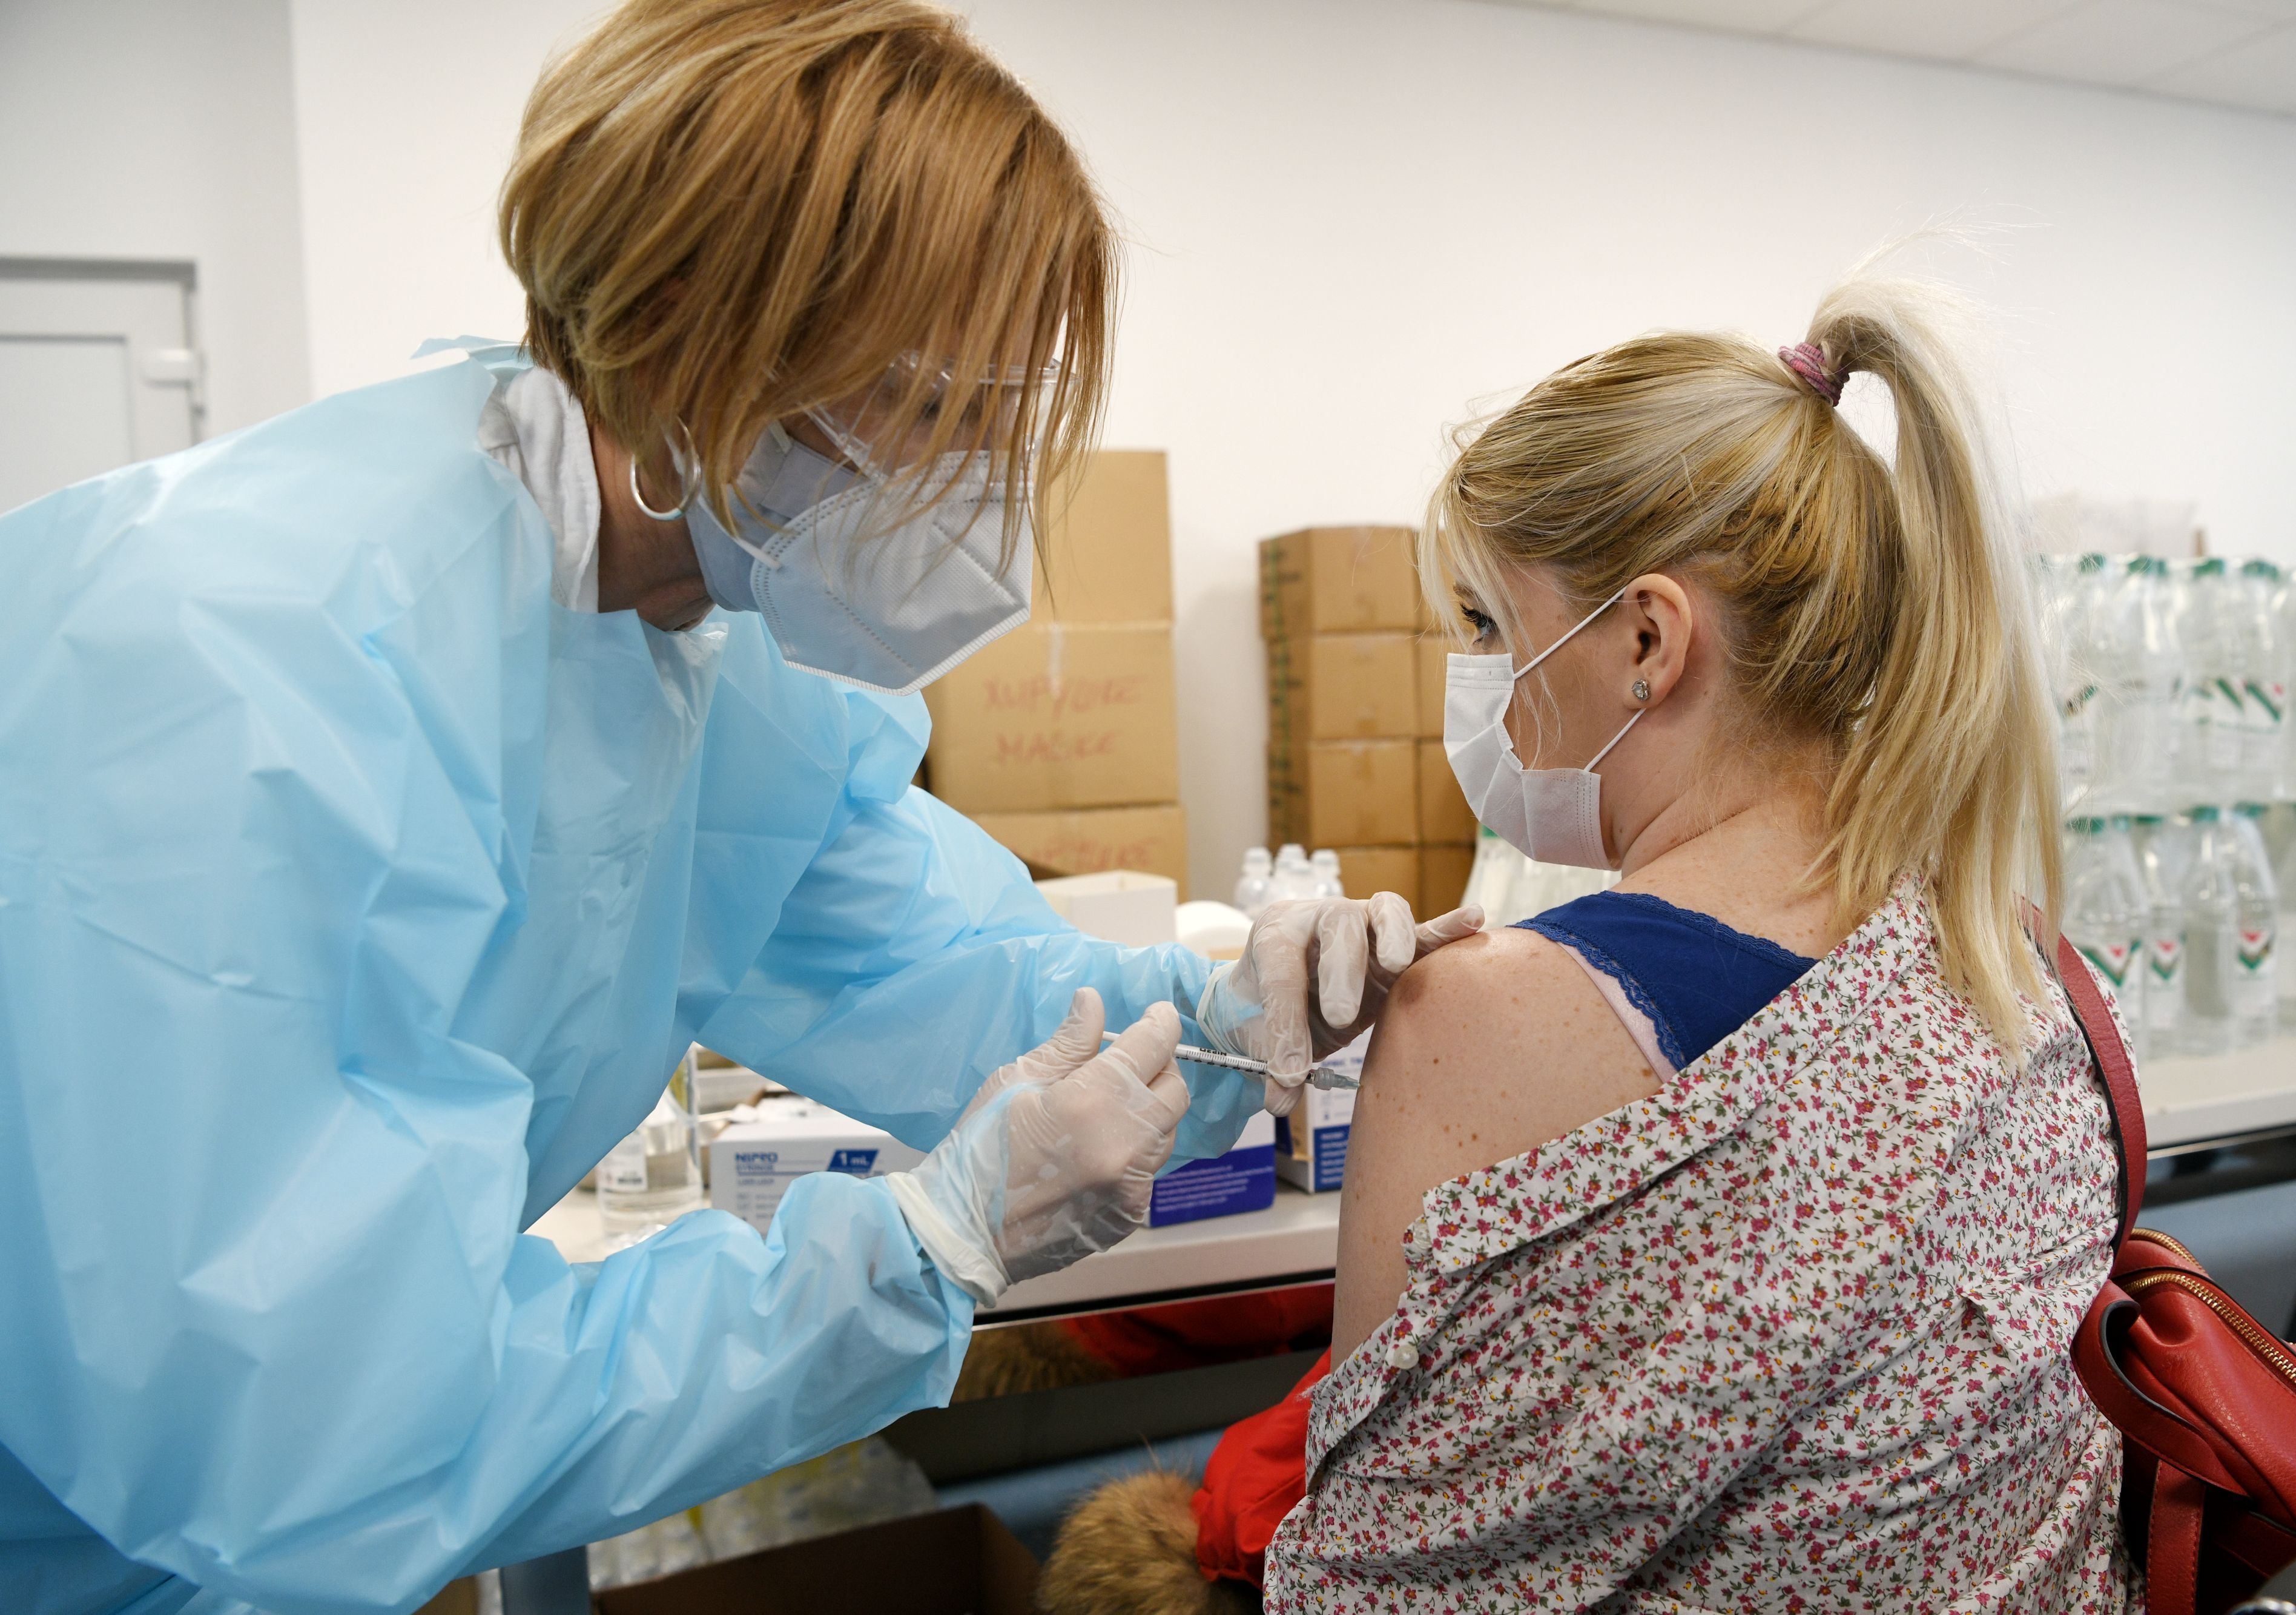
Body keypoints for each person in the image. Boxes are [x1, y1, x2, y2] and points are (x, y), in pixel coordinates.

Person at [0, 5, 1474, 1611]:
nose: (979, 478)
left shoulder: (720, 661)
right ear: (700, 330)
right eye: (937, 403)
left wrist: (1227, 1009)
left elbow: (976, 997)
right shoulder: (247, 654)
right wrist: (916, 1245)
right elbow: (305, 1423)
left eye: (1005, 412)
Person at [1255, 272, 2135, 1609]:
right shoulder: (2016, 961)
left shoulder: (1480, 1018)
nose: (1474, 678)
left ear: (1648, 642)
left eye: (1489, 625)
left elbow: (1367, 1572)